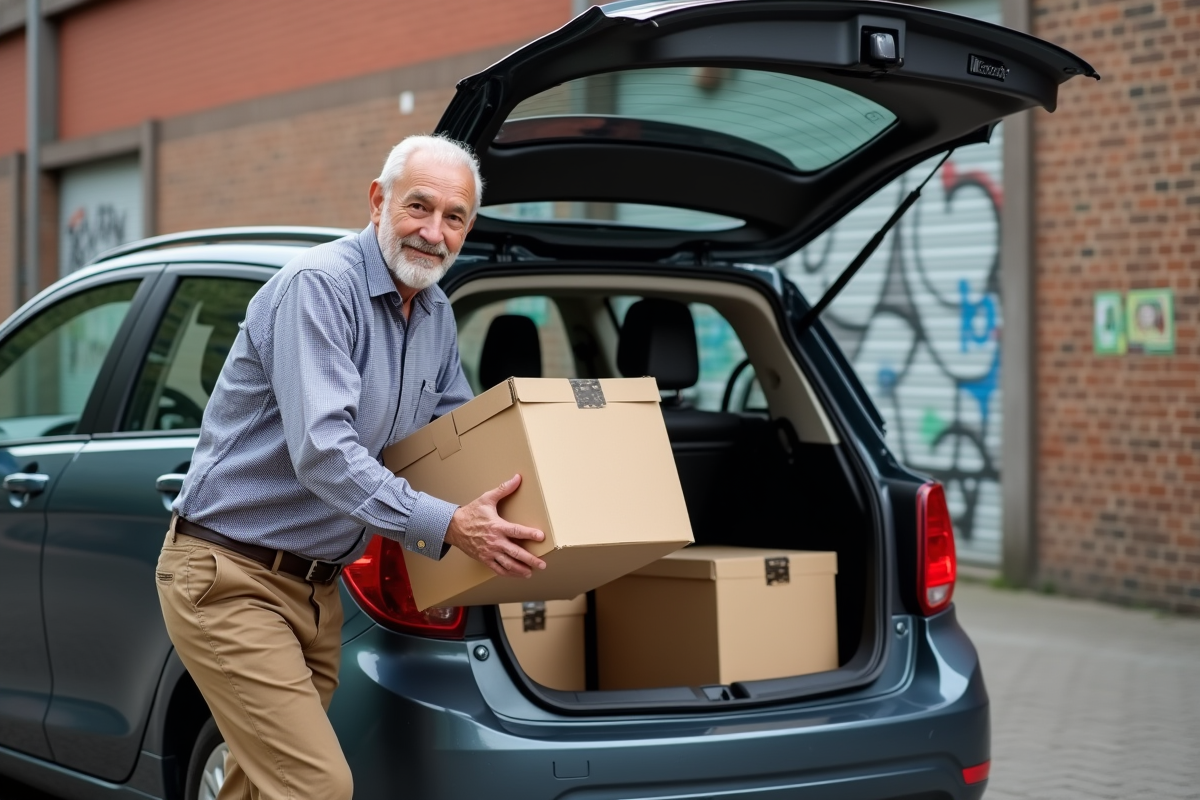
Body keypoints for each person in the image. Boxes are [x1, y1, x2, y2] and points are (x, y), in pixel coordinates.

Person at [155, 134, 547, 800]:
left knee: (258, 787)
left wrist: (545, 511)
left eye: (454, 218)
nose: (434, 232)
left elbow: (451, 446)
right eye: (418, 207)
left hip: (316, 591)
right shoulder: (319, 289)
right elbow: (326, 456)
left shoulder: (437, 316)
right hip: (230, 578)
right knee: (317, 787)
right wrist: (452, 526)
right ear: (377, 200)